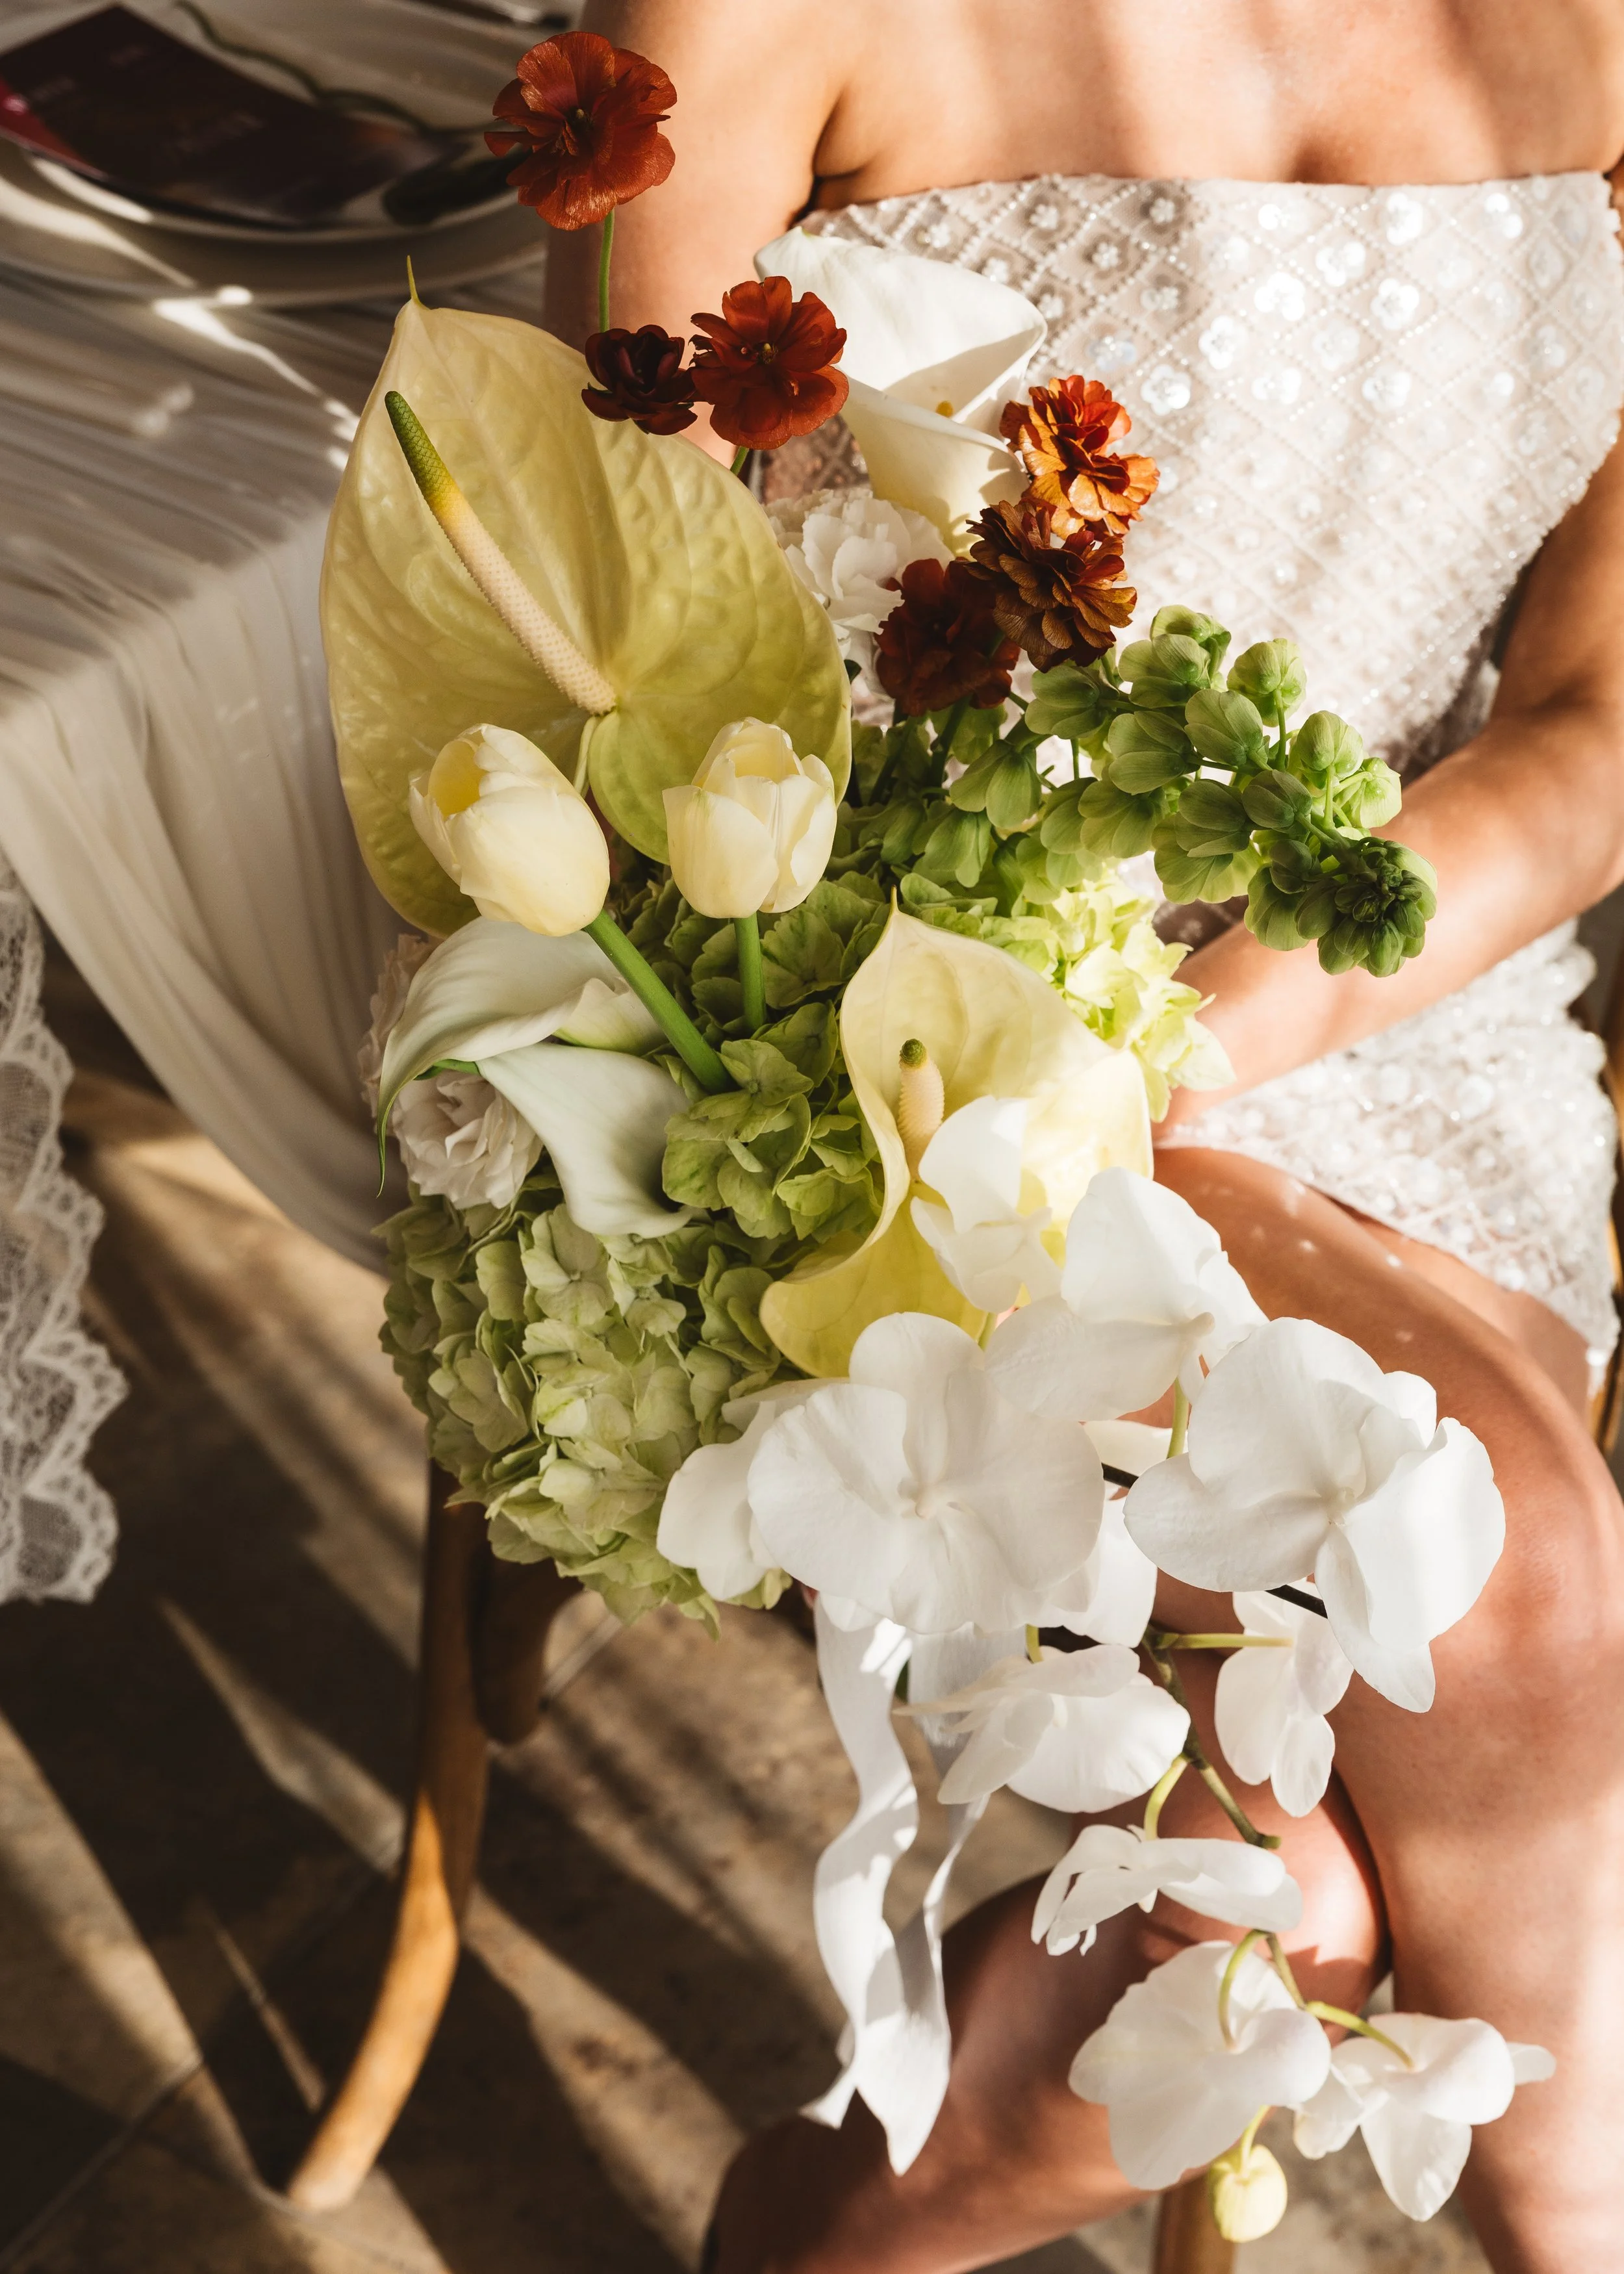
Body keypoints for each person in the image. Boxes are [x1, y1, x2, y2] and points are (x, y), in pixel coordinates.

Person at [548, 6, 1624, 2266]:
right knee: (1493, 1567)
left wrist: (1224, 1028)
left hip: (1399, 1004)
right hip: (906, 1033)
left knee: (1276, 1932)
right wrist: (1062, 1061)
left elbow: (1594, 720)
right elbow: (601, 674)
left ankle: (819, 2233)